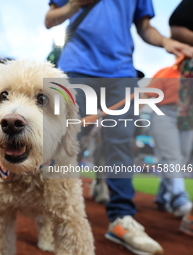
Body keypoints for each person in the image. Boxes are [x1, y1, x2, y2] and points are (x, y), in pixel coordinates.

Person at [45, 1, 193, 254]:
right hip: (75, 69)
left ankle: (122, 218)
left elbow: (145, 28)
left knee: (121, 143)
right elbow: (50, 19)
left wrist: (165, 42)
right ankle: (49, 217)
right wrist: (74, 6)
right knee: (65, 145)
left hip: (121, 73)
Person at [141, 58, 192, 218]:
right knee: (170, 157)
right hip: (164, 113)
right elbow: (146, 95)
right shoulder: (167, 72)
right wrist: (132, 119)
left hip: (188, 117)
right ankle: (179, 199)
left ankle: (163, 197)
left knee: (181, 158)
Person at [168, 0, 193, 236]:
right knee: (175, 153)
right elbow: (176, 26)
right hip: (181, 93)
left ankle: (166, 195)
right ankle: (177, 198)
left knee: (183, 152)